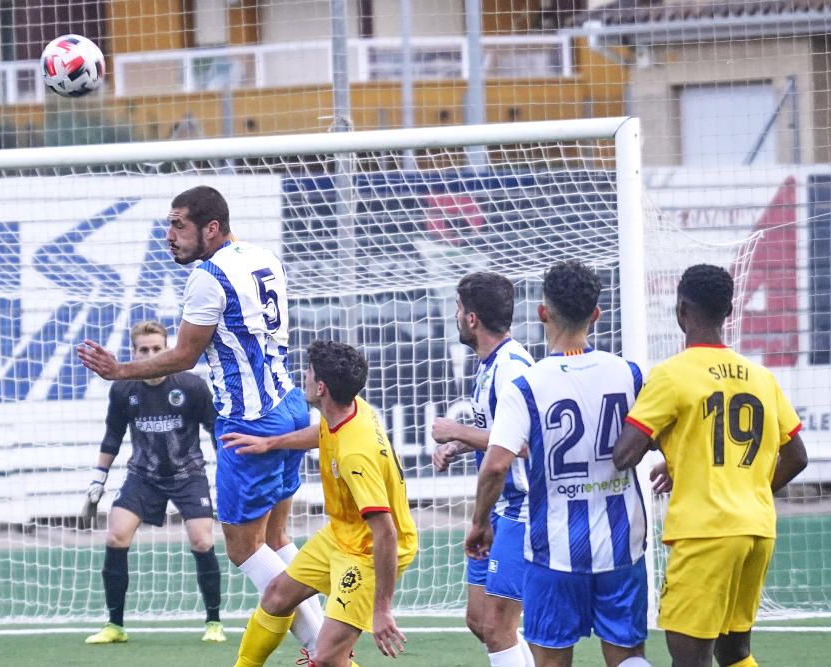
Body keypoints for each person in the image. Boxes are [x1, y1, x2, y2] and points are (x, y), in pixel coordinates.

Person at [78, 185, 324, 652]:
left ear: (211, 228)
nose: (169, 235)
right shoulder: (263, 256)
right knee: (274, 536)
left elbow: (185, 355)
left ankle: (324, 648)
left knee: (243, 550)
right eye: (168, 224)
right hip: (289, 405)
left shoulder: (208, 276)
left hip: (250, 422)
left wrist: (119, 371)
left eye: (178, 225)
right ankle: (329, 639)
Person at [613, 264, 809, 667]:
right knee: (734, 652)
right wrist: (739, 486)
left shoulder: (670, 375)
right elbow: (797, 456)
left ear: (681, 309)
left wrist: (662, 440)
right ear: (730, 312)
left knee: (690, 659)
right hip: (756, 529)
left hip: (705, 533)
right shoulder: (760, 377)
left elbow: (623, 455)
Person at [469, 260, 652, 667]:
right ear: (597, 314)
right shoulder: (629, 374)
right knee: (627, 657)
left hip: (555, 552)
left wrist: (480, 522)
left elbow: (496, 464)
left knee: (551, 660)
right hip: (621, 544)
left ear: (542, 312)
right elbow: (660, 435)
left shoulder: (527, 384)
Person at [226, 340, 418, 667]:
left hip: (368, 552)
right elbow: (324, 433)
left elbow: (385, 532)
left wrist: (382, 608)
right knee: (276, 596)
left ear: (321, 387)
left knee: (329, 659)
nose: (304, 374)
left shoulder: (355, 454)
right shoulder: (349, 408)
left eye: (309, 371)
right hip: (341, 535)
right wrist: (270, 443)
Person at [83, 320, 225, 644]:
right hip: (143, 475)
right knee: (116, 535)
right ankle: (115, 626)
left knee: (202, 540)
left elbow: (215, 430)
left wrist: (228, 472)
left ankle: (213, 623)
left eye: (157, 349)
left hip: (188, 474)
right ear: (133, 353)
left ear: (167, 349)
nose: (150, 355)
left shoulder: (191, 386)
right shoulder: (122, 389)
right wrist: (98, 480)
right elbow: (112, 436)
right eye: (143, 350)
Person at [431, 272, 535, 667]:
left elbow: (525, 444)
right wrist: (461, 443)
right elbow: (500, 431)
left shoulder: (512, 368)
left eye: (458, 309)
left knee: (497, 626)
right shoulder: (490, 364)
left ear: (472, 319)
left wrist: (456, 429)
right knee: (479, 620)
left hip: (519, 507)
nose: (456, 316)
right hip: (496, 506)